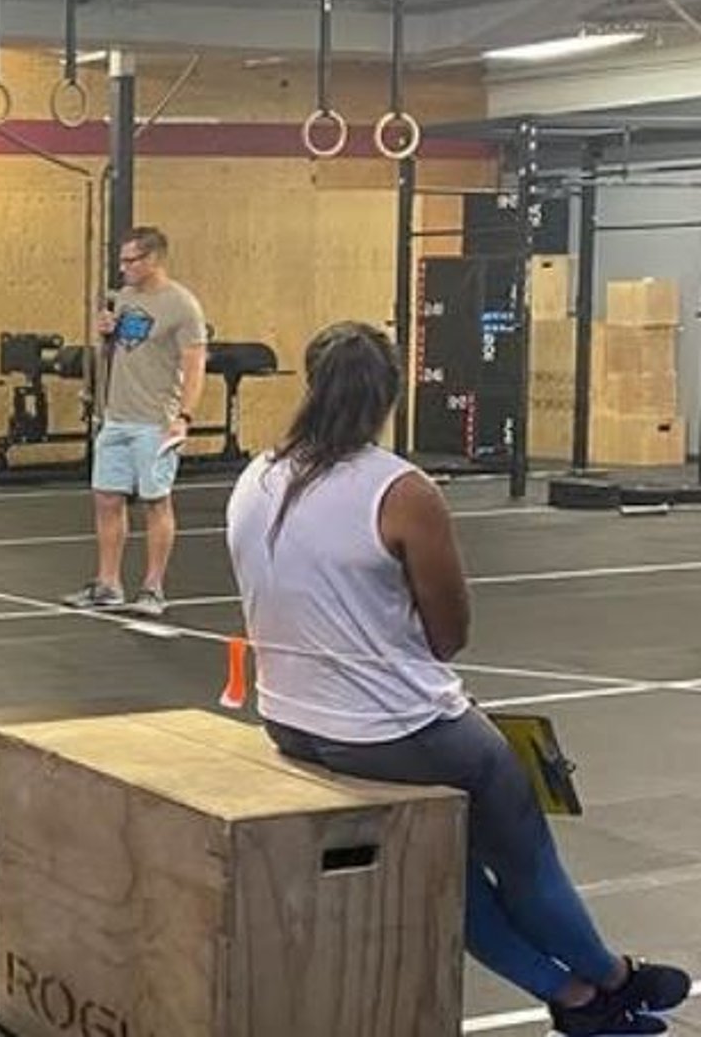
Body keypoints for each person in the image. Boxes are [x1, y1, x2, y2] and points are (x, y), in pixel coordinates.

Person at [226, 322, 690, 1037]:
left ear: (311, 385)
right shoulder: (400, 489)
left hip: (291, 720)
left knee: (449, 870)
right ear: (389, 395)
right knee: (522, 850)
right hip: (394, 729)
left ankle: (572, 997)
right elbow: (449, 636)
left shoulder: (255, 477)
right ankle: (611, 975)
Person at [68, 226, 206, 618]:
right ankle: (108, 583)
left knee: (155, 502)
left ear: (153, 261)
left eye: (131, 261)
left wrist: (184, 417)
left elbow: (195, 366)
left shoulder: (182, 306)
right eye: (122, 260)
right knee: (107, 498)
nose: (123, 267)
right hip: (117, 416)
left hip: (155, 421)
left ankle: (153, 588)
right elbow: (125, 349)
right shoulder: (125, 298)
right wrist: (107, 334)